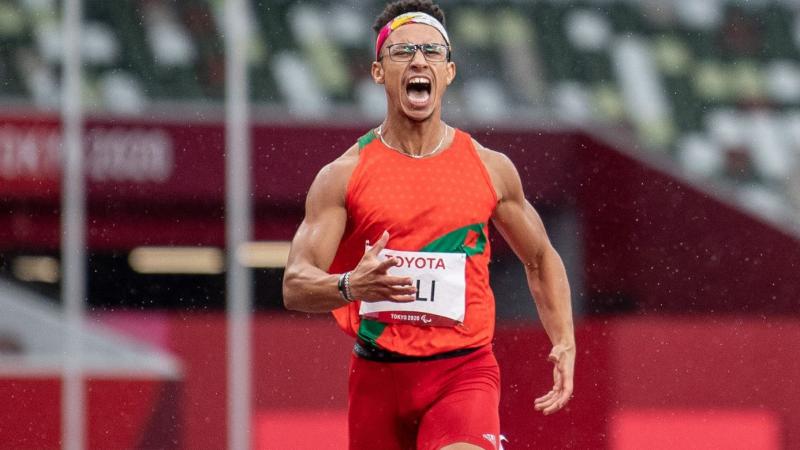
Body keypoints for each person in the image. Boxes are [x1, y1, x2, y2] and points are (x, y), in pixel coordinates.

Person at [282, 1, 575, 448]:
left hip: (464, 372)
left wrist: (564, 340)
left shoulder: (489, 169)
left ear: (449, 72)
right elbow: (295, 285)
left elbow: (539, 257)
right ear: (378, 72)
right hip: (378, 376)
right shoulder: (342, 175)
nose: (419, 60)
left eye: (431, 52)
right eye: (402, 52)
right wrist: (350, 286)